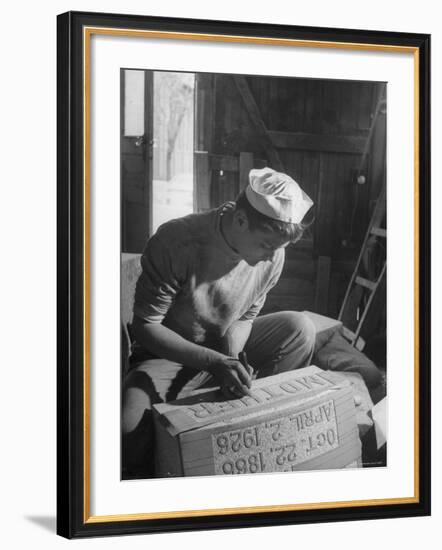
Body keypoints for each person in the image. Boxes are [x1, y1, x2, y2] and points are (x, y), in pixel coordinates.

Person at [122, 167, 316, 478]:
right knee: (127, 430)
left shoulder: (273, 254)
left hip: (220, 349)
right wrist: (214, 362)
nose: (271, 258)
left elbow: (246, 317)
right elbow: (146, 327)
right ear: (240, 220)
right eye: (266, 246)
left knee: (299, 328)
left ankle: (255, 419)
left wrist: (232, 356)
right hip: (169, 355)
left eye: (277, 250)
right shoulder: (176, 240)